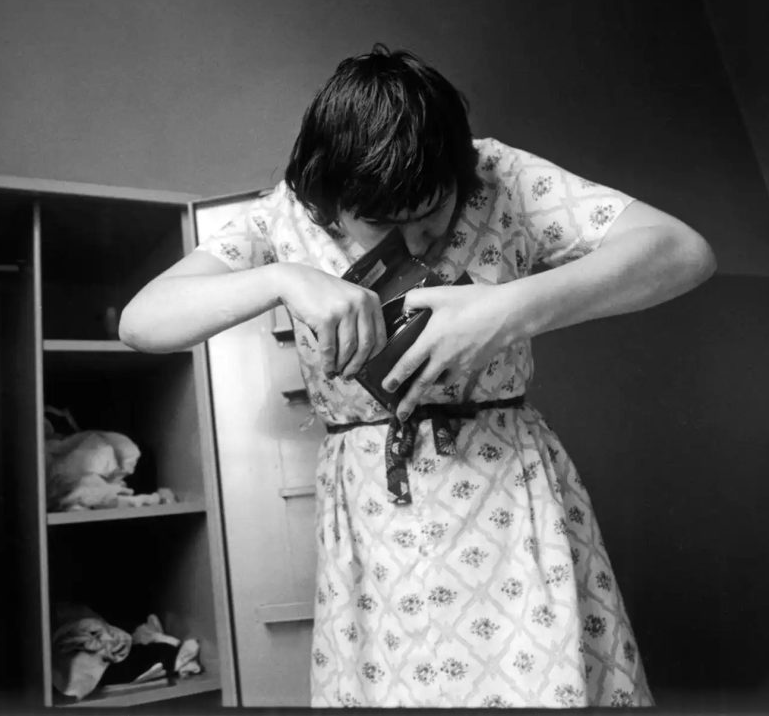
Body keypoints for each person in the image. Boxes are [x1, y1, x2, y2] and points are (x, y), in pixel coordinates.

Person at [119, 44, 715, 707]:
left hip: (511, 503)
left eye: (435, 212)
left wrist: (509, 308)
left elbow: (682, 250)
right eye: (384, 223)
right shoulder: (282, 214)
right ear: (328, 200)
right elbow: (143, 321)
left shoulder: (499, 171)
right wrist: (281, 278)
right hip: (371, 521)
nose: (422, 240)